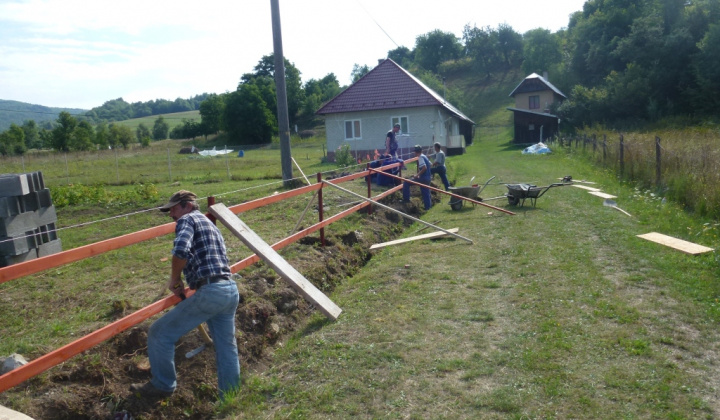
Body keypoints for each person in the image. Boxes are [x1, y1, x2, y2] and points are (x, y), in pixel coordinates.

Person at [130, 190, 240, 399]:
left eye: (174, 208)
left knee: (159, 333)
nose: (171, 214)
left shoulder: (187, 220)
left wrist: (174, 278)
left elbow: (181, 249)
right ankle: (231, 398)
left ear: (188, 205)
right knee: (226, 347)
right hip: (229, 289)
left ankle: (163, 385)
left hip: (211, 291)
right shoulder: (208, 223)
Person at [402, 145, 433, 210]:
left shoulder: (420, 157)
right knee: (426, 193)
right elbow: (430, 164)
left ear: (415, 152)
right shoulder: (424, 156)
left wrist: (417, 175)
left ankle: (406, 199)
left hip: (423, 178)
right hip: (428, 177)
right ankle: (428, 207)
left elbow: (424, 167)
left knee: (406, 183)